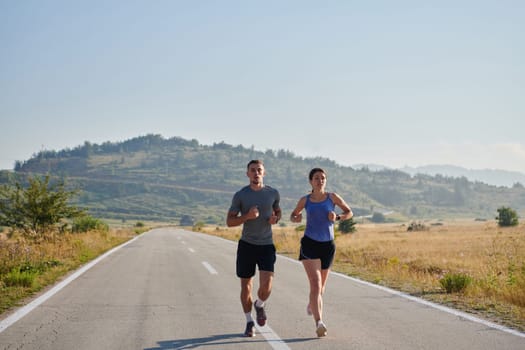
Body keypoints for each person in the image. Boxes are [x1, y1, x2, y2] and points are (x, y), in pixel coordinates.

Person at [290, 167, 353, 337]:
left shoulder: (332, 197)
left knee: (321, 289)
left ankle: (313, 303)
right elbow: (293, 215)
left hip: (328, 246)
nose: (320, 180)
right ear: (311, 181)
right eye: (316, 178)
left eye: (323, 178)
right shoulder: (305, 200)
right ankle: (319, 323)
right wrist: (297, 218)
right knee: (316, 284)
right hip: (310, 244)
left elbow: (349, 212)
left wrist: (338, 217)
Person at [227, 159, 282, 337]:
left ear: (264, 173)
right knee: (246, 286)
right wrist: (247, 217)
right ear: (247, 174)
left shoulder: (273, 193)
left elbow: (278, 211)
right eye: (252, 170)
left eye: (259, 170)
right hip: (247, 245)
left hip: (266, 244)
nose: (256, 173)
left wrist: (276, 219)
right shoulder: (241, 195)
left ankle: (259, 304)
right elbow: (229, 221)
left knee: (267, 286)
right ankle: (249, 322)